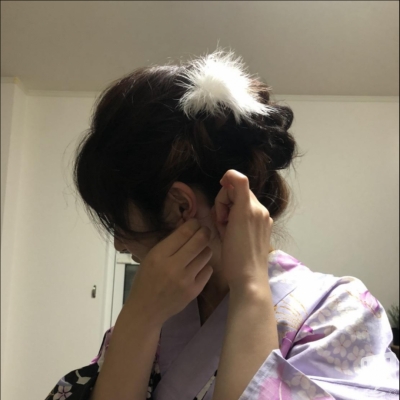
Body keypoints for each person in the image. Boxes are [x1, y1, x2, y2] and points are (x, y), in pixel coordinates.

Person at [45, 49, 399, 400]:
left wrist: (250, 289)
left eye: (118, 221)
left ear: (181, 206)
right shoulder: (154, 309)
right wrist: (139, 319)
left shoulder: (337, 315)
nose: (119, 244)